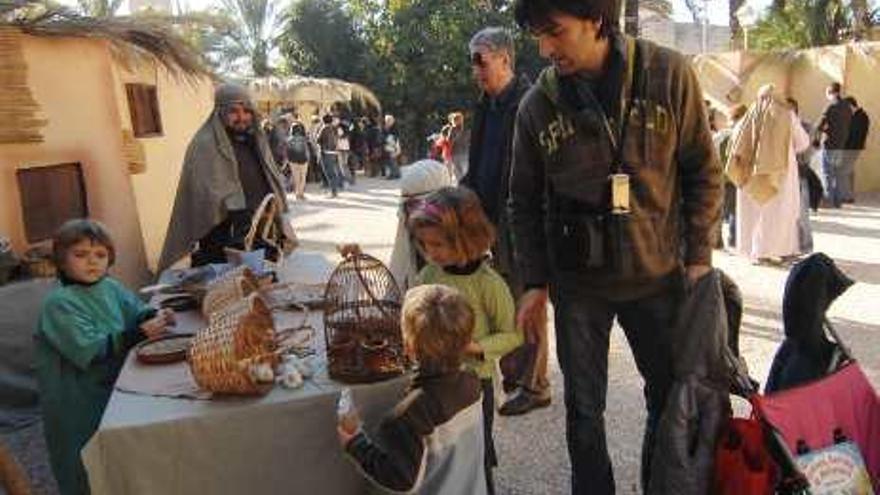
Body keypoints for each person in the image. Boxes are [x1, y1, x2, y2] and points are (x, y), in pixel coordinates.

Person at [508, 1, 722, 492]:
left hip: (660, 277)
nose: (544, 48)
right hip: (579, 287)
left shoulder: (668, 74)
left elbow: (703, 172)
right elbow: (521, 202)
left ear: (596, 20)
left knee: (669, 401)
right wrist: (534, 282)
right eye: (538, 35)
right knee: (584, 412)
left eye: (555, 32)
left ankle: (659, 484)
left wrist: (697, 259)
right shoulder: (537, 107)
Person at [36, 219, 174, 495]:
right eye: (80, 255)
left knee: (116, 450)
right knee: (84, 460)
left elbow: (135, 310)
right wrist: (139, 333)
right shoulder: (59, 303)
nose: (92, 262)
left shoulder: (109, 286)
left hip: (110, 386)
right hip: (75, 400)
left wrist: (156, 316)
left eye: (100, 255)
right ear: (61, 261)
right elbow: (91, 350)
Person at [408, 186, 522, 494]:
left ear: (467, 239)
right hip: (433, 378)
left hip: (474, 382)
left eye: (438, 244)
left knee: (476, 447)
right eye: (424, 244)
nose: (430, 252)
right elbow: (413, 307)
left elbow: (513, 334)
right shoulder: (430, 274)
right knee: (443, 446)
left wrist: (477, 347)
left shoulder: (489, 284)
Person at [460, 26, 549, 417]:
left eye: (481, 59)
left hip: (521, 222)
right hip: (489, 219)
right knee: (500, 302)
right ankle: (517, 377)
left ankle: (536, 385)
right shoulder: (486, 104)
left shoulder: (531, 102)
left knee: (525, 304)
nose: (475, 68)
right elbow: (478, 164)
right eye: (472, 60)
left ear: (505, 58)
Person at [338, 284, 486, 494]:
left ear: (408, 346)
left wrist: (355, 445)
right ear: (468, 342)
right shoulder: (473, 380)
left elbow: (402, 480)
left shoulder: (408, 417)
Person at [159, 84, 293, 270]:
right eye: (234, 111)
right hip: (221, 235)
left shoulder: (255, 140)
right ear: (219, 112)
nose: (242, 117)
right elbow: (202, 197)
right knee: (226, 288)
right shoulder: (204, 145)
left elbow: (269, 178)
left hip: (260, 230)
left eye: (246, 111)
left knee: (260, 286)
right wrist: (234, 212)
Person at [727, 85, 810, 264]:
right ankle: (780, 250)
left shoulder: (748, 116)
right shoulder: (787, 116)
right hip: (781, 175)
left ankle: (755, 252)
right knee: (781, 215)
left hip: (751, 175)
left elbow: (735, 144)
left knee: (753, 215)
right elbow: (803, 142)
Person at [714, 104, 748, 248]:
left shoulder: (721, 135)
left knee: (718, 211)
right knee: (735, 210)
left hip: (720, 176)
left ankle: (716, 241)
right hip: (736, 177)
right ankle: (734, 239)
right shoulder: (743, 134)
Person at [815, 82, 852, 208]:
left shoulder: (830, 106)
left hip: (830, 144)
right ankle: (837, 201)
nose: (826, 96)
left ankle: (829, 201)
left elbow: (819, 125)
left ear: (831, 93)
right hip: (841, 144)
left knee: (827, 173)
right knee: (837, 173)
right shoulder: (847, 106)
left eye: (827, 93)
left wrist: (817, 138)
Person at [842, 96, 870, 203]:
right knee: (848, 171)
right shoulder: (857, 116)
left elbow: (855, 135)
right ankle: (847, 195)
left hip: (852, 148)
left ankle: (848, 197)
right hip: (851, 148)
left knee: (846, 171)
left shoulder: (861, 117)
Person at [317, 114, 343, 197]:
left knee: (329, 173)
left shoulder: (324, 128)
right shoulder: (334, 128)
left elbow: (319, 140)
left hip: (326, 152)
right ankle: (334, 190)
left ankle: (333, 192)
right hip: (334, 152)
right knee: (333, 173)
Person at [287, 122, 311, 201]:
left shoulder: (289, 139)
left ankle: (297, 194)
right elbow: (307, 150)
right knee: (303, 177)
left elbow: (287, 150)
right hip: (303, 159)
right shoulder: (304, 139)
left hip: (293, 160)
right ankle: (301, 194)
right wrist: (308, 158)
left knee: (296, 177)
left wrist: (287, 160)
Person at [383, 114, 402, 179]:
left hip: (393, 145)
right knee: (392, 160)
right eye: (386, 121)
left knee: (392, 160)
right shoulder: (387, 127)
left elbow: (395, 136)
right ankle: (397, 173)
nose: (387, 122)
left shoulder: (394, 127)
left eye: (388, 120)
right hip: (389, 145)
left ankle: (393, 174)